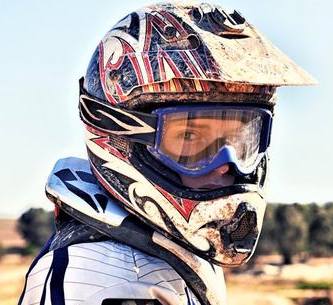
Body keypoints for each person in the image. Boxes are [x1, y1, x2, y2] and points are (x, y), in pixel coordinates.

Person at [18, 2, 314, 305]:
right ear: (123, 138)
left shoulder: (159, 250)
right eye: (189, 137)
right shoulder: (114, 277)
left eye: (239, 140)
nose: (226, 166)